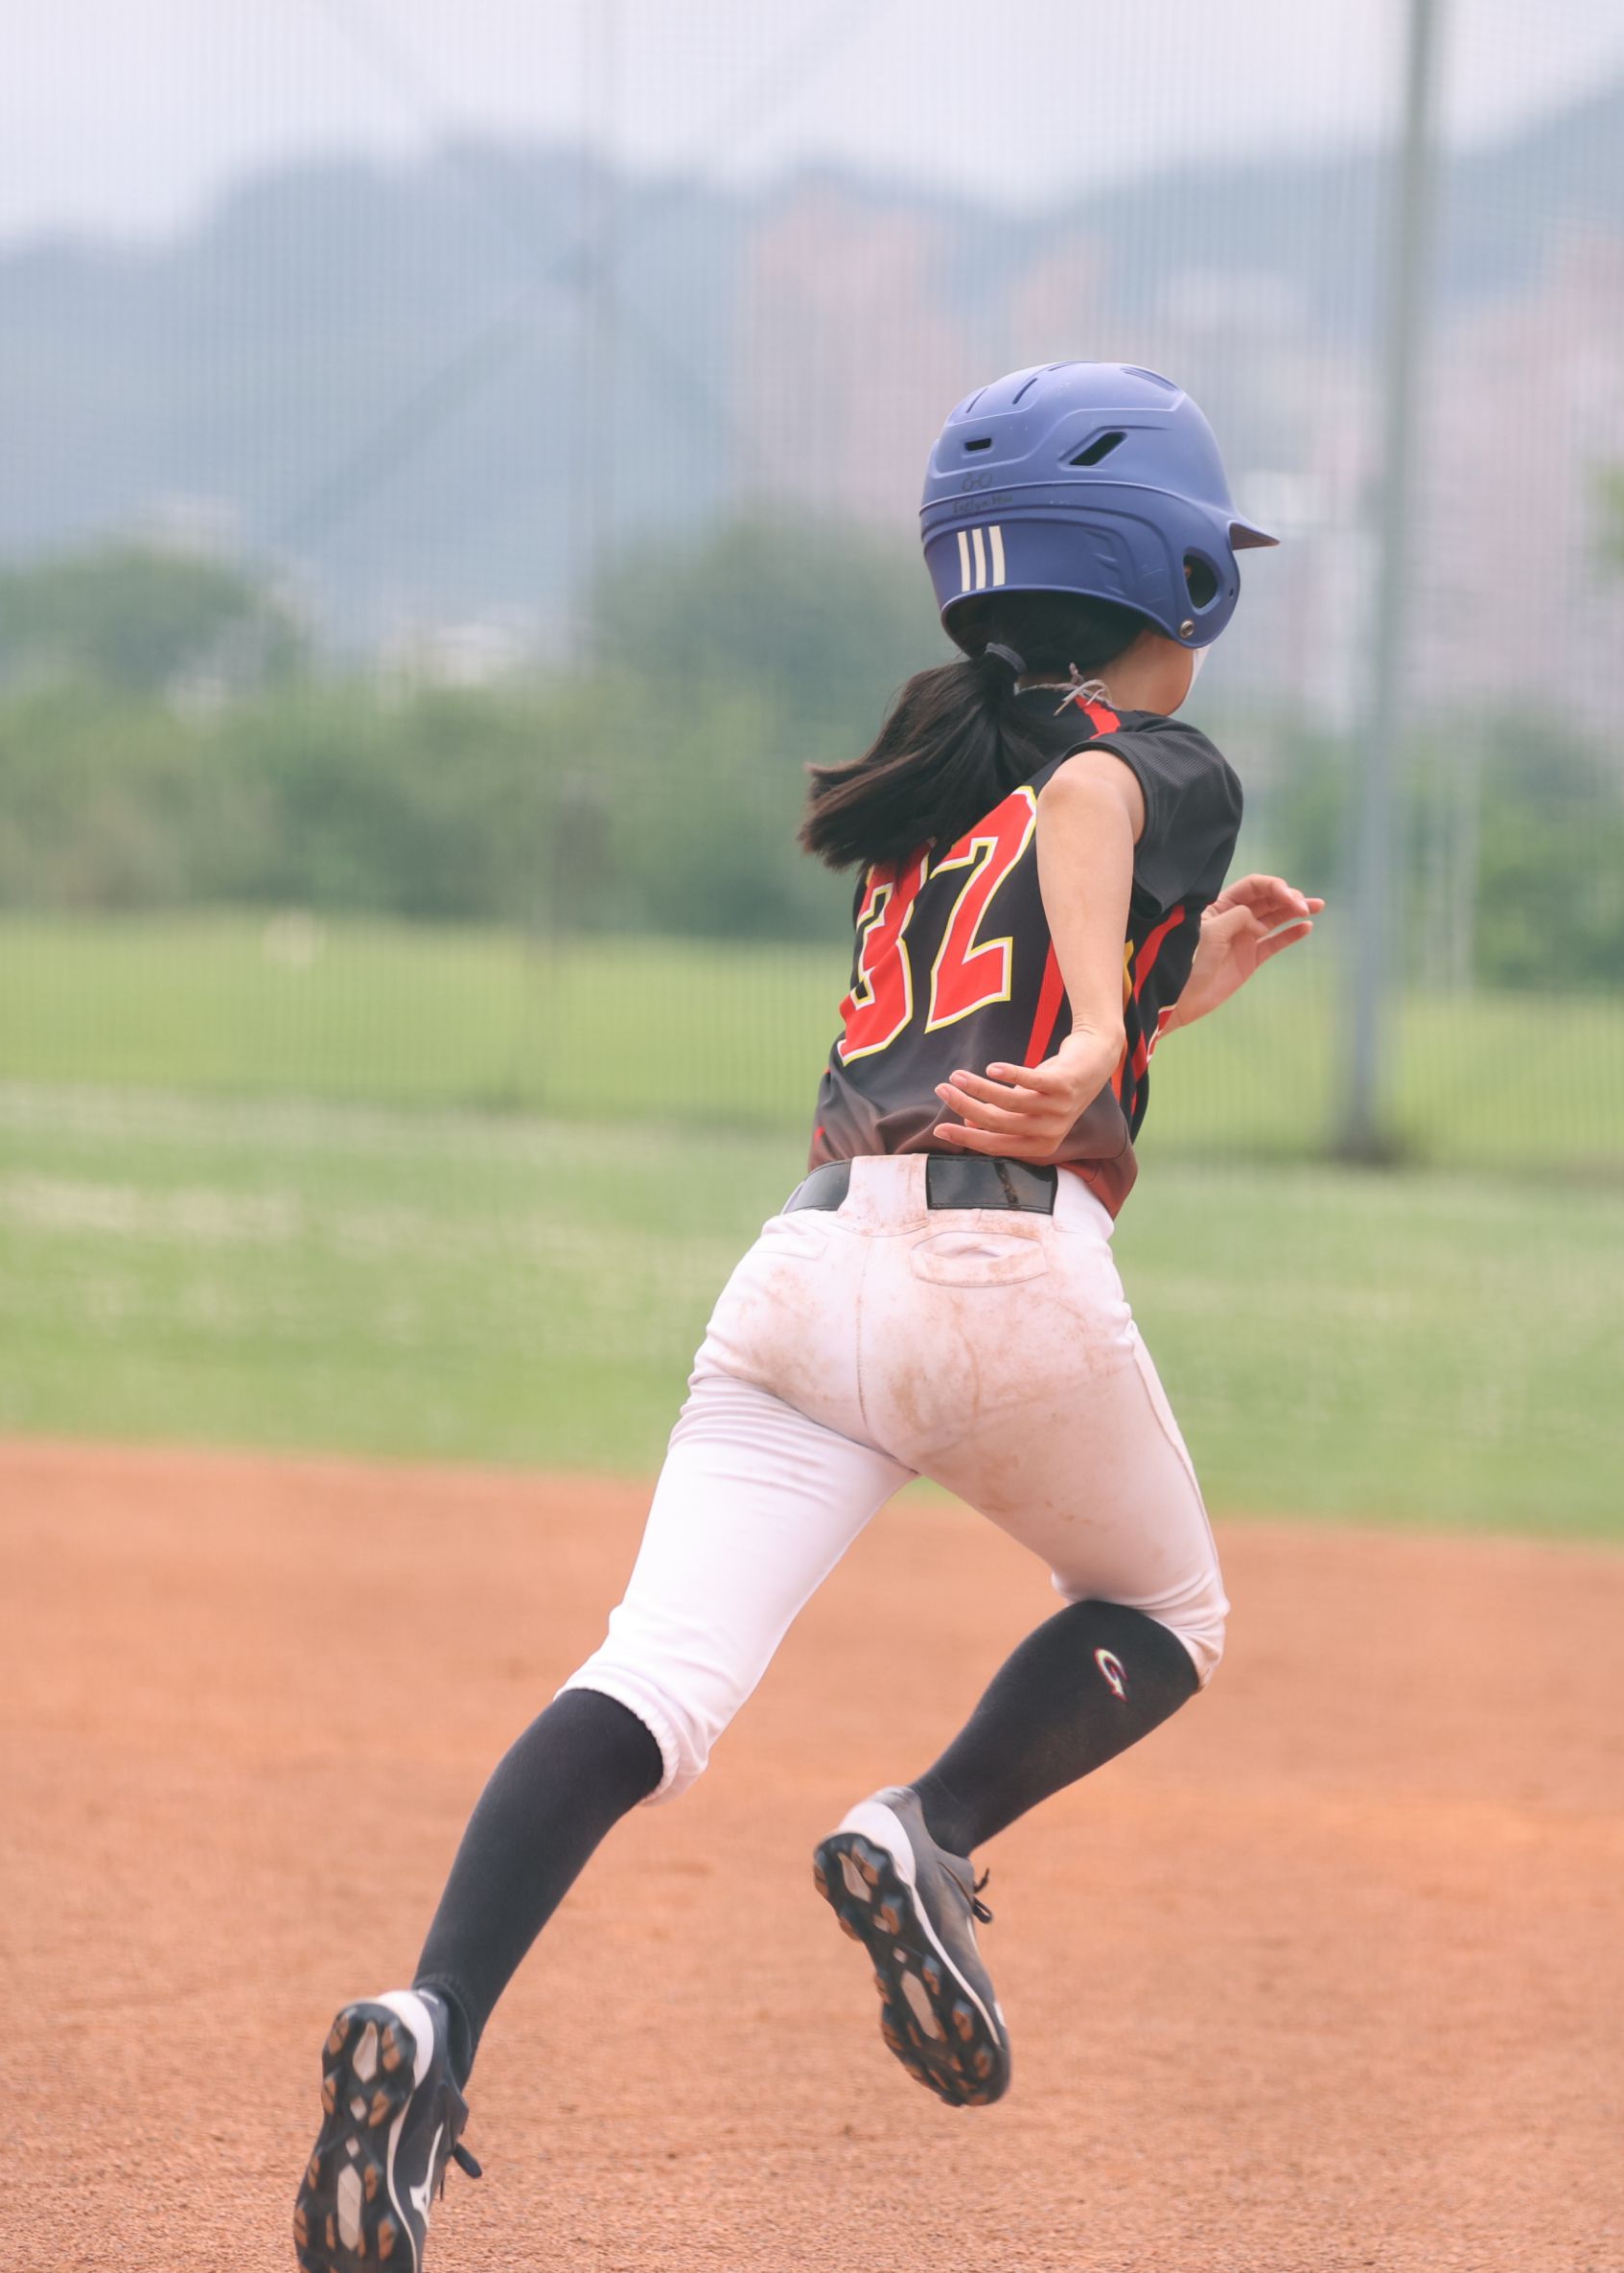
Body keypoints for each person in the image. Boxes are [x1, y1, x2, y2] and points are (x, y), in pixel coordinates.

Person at [295, 360, 1322, 2273]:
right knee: (1165, 1613)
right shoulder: (1142, 759)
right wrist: (1105, 1027)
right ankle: (930, 1827)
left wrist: (1171, 993)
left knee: (652, 1678)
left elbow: (1013, 948)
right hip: (997, 1277)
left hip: (803, 1274)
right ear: (1176, 575)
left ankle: (431, 2024)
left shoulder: (935, 769)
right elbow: (1095, 805)